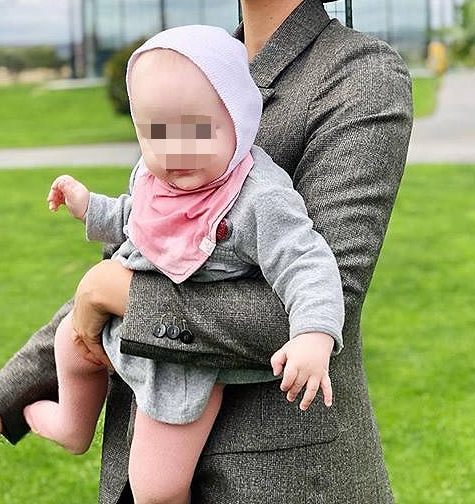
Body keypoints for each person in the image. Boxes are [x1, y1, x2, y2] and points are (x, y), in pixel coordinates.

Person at [0, 0, 413, 504]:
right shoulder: (192, 71)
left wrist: (109, 293)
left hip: (280, 480)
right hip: (142, 461)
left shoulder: (359, 78)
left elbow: (313, 305)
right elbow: (139, 254)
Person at [23, 25, 344, 503]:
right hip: (120, 328)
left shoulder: (257, 198)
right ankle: (74, 424)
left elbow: (306, 262)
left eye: (196, 130)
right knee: (71, 343)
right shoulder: (158, 176)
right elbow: (138, 218)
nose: (175, 151)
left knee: (155, 488)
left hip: (180, 361)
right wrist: (90, 206)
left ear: (238, 117)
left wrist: (313, 334)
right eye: (156, 133)